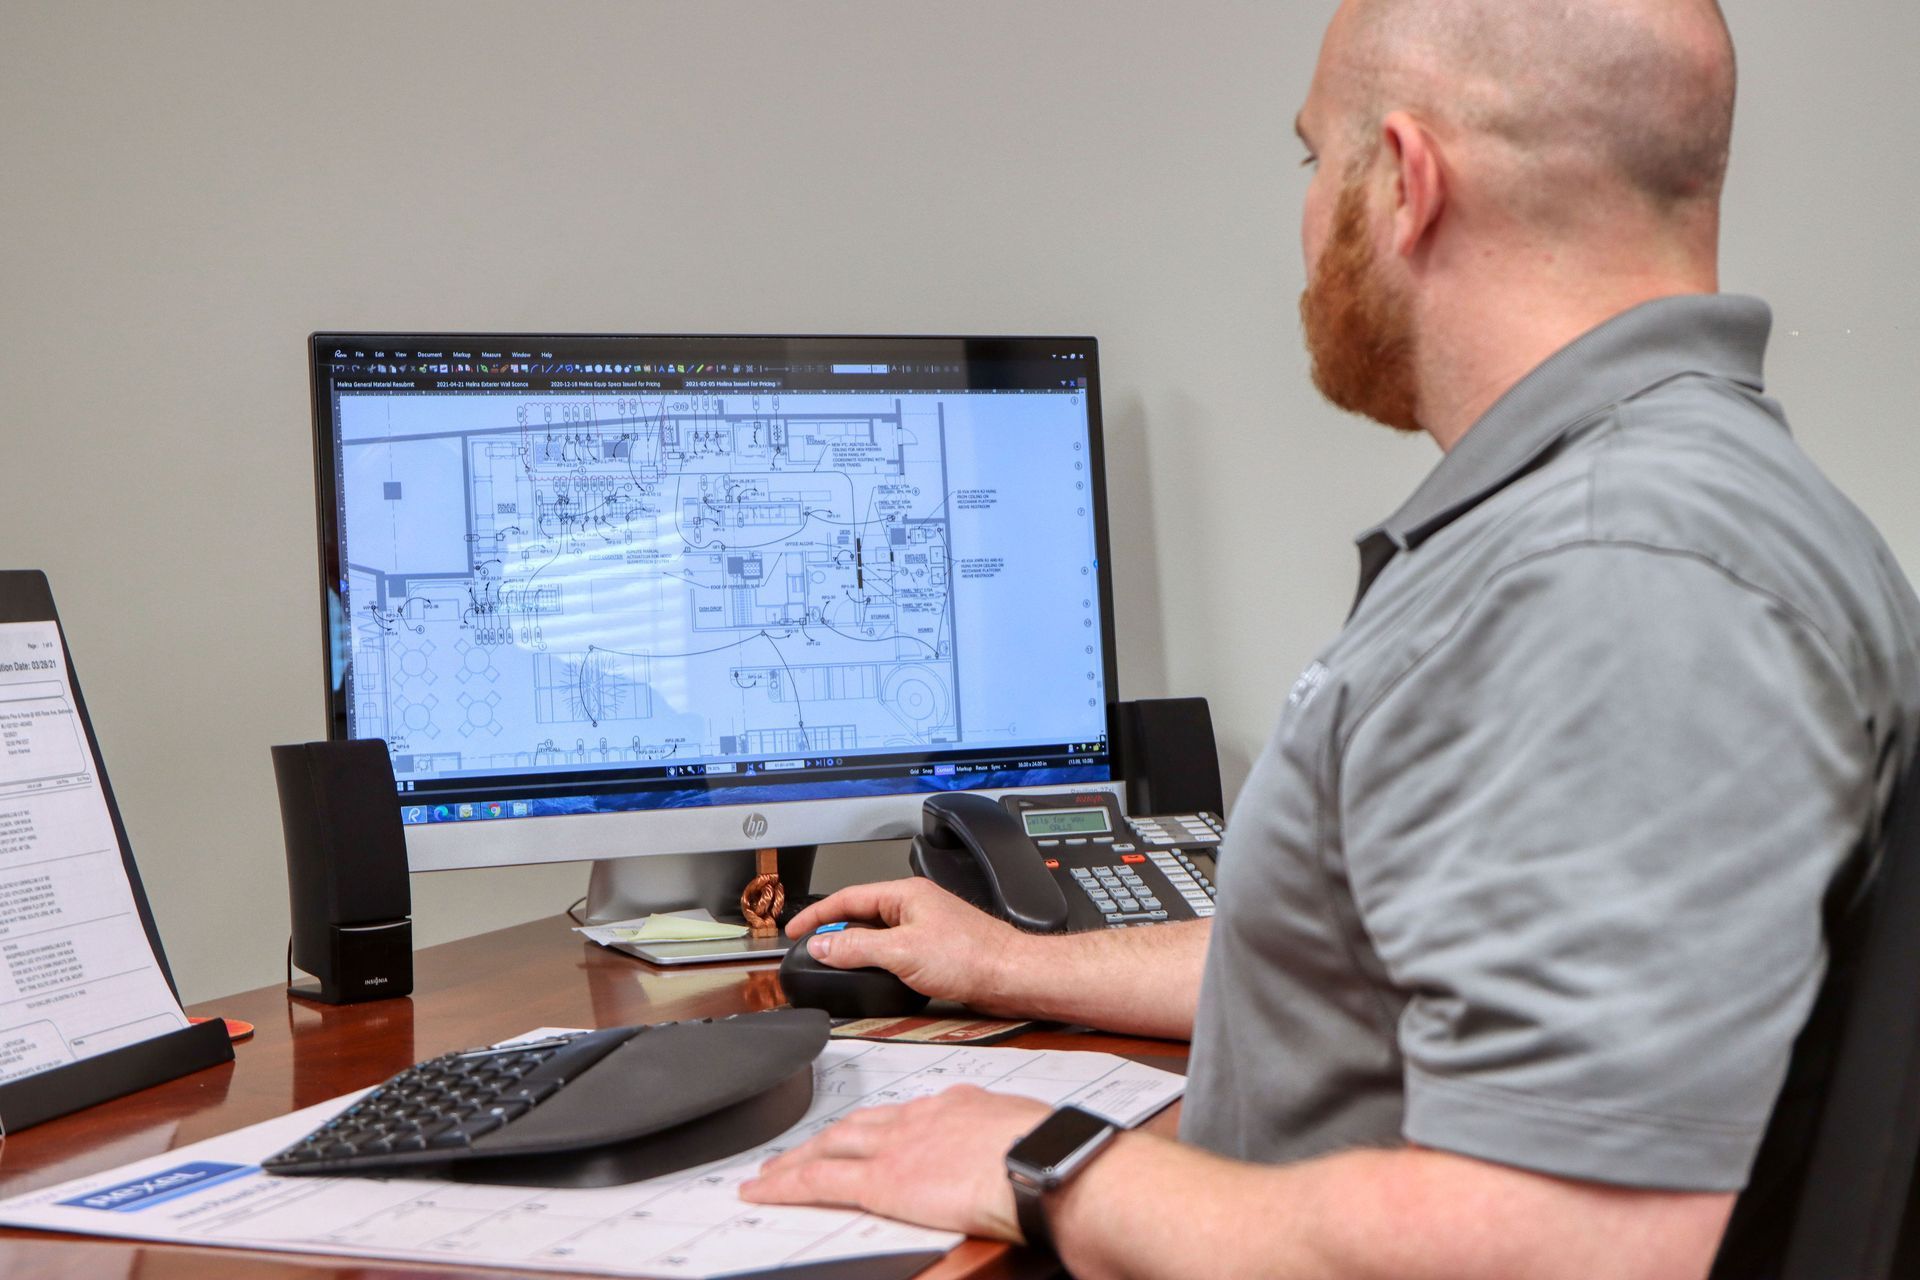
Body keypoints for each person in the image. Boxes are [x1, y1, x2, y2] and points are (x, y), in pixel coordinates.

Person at [740, 2, 1920, 1276]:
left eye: (1316, 162)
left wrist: (1048, 1163)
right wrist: (1011, 959)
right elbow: (1386, 960)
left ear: (1406, 182)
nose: (1306, 223)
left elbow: (1563, 1248)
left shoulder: (1612, 577)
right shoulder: (1652, 511)